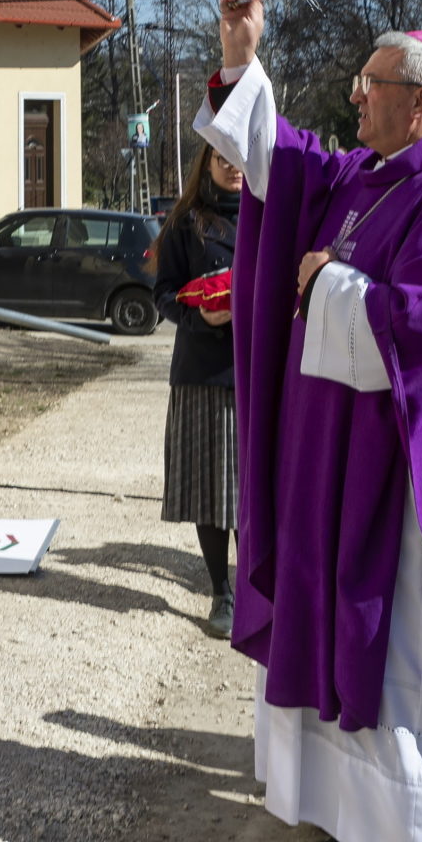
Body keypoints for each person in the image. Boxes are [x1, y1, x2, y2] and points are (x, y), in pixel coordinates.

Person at [194, 0, 422, 842]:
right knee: (339, 633)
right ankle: (351, 817)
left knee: (397, 651)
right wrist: (241, 61)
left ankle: (408, 839)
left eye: (369, 84)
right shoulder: (369, 177)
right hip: (335, 463)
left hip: (403, 481)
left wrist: (330, 284)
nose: (355, 97)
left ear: (420, 101)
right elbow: (280, 162)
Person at [154, 147, 243, 638]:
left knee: (253, 490)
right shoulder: (185, 222)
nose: (233, 166)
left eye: (240, 155)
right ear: (206, 162)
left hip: (256, 373)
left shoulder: (273, 214)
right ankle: (221, 591)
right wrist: (198, 317)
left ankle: (255, 588)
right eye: (222, 157)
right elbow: (164, 294)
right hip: (202, 372)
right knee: (211, 489)